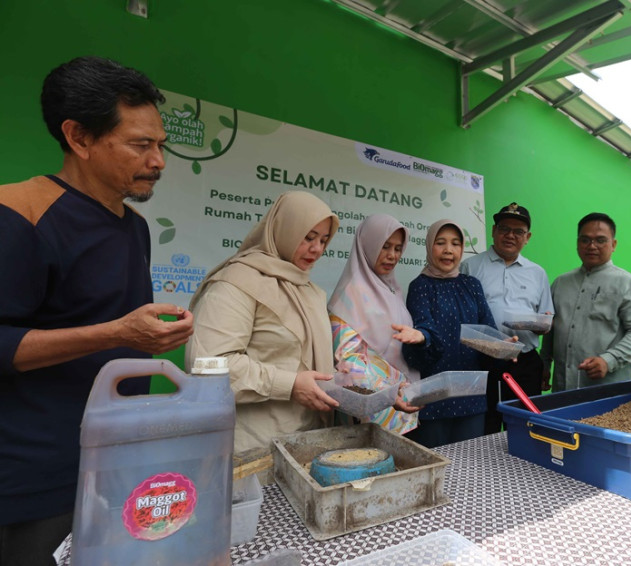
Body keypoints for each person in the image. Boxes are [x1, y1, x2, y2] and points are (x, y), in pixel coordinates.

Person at [0, 56, 194, 565]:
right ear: (80, 138)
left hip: (118, 462)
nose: (159, 160)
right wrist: (116, 332)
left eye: (161, 145)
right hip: (38, 480)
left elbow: (120, 333)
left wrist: (144, 334)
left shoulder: (135, 226)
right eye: (140, 145)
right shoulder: (18, 212)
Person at [186, 190, 340, 455]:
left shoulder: (309, 290)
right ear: (284, 230)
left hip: (307, 445)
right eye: (309, 237)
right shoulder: (236, 283)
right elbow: (207, 366)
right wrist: (288, 385)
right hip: (251, 452)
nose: (317, 249)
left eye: (324, 240)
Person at [402, 219, 497, 448]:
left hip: (472, 394)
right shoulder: (420, 286)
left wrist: (502, 345)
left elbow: (487, 328)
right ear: (429, 246)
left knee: (472, 466)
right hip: (434, 397)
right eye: (441, 243)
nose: (448, 250)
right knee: (438, 469)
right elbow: (424, 326)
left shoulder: (472, 285)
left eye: (455, 243)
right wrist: (422, 337)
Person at [460, 202, 553, 433]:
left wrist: (542, 325)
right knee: (485, 427)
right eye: (504, 229)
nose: (510, 235)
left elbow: (546, 319)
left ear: (527, 237)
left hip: (525, 362)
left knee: (527, 426)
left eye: (518, 231)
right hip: (483, 362)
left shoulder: (537, 273)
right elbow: (461, 321)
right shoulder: (470, 267)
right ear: (493, 231)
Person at [327, 214, 423, 434]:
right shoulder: (349, 296)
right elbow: (348, 362)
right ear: (367, 245)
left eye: (398, 249)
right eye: (385, 246)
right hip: (370, 417)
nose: (392, 256)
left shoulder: (392, 290)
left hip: (402, 412)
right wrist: (389, 394)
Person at [541, 212, 631, 392]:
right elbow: (550, 329)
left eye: (600, 240)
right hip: (562, 389)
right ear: (577, 243)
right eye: (585, 240)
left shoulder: (628, 283)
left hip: (609, 389)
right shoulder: (561, 283)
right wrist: (544, 364)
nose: (591, 246)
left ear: (613, 244)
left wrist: (609, 360)